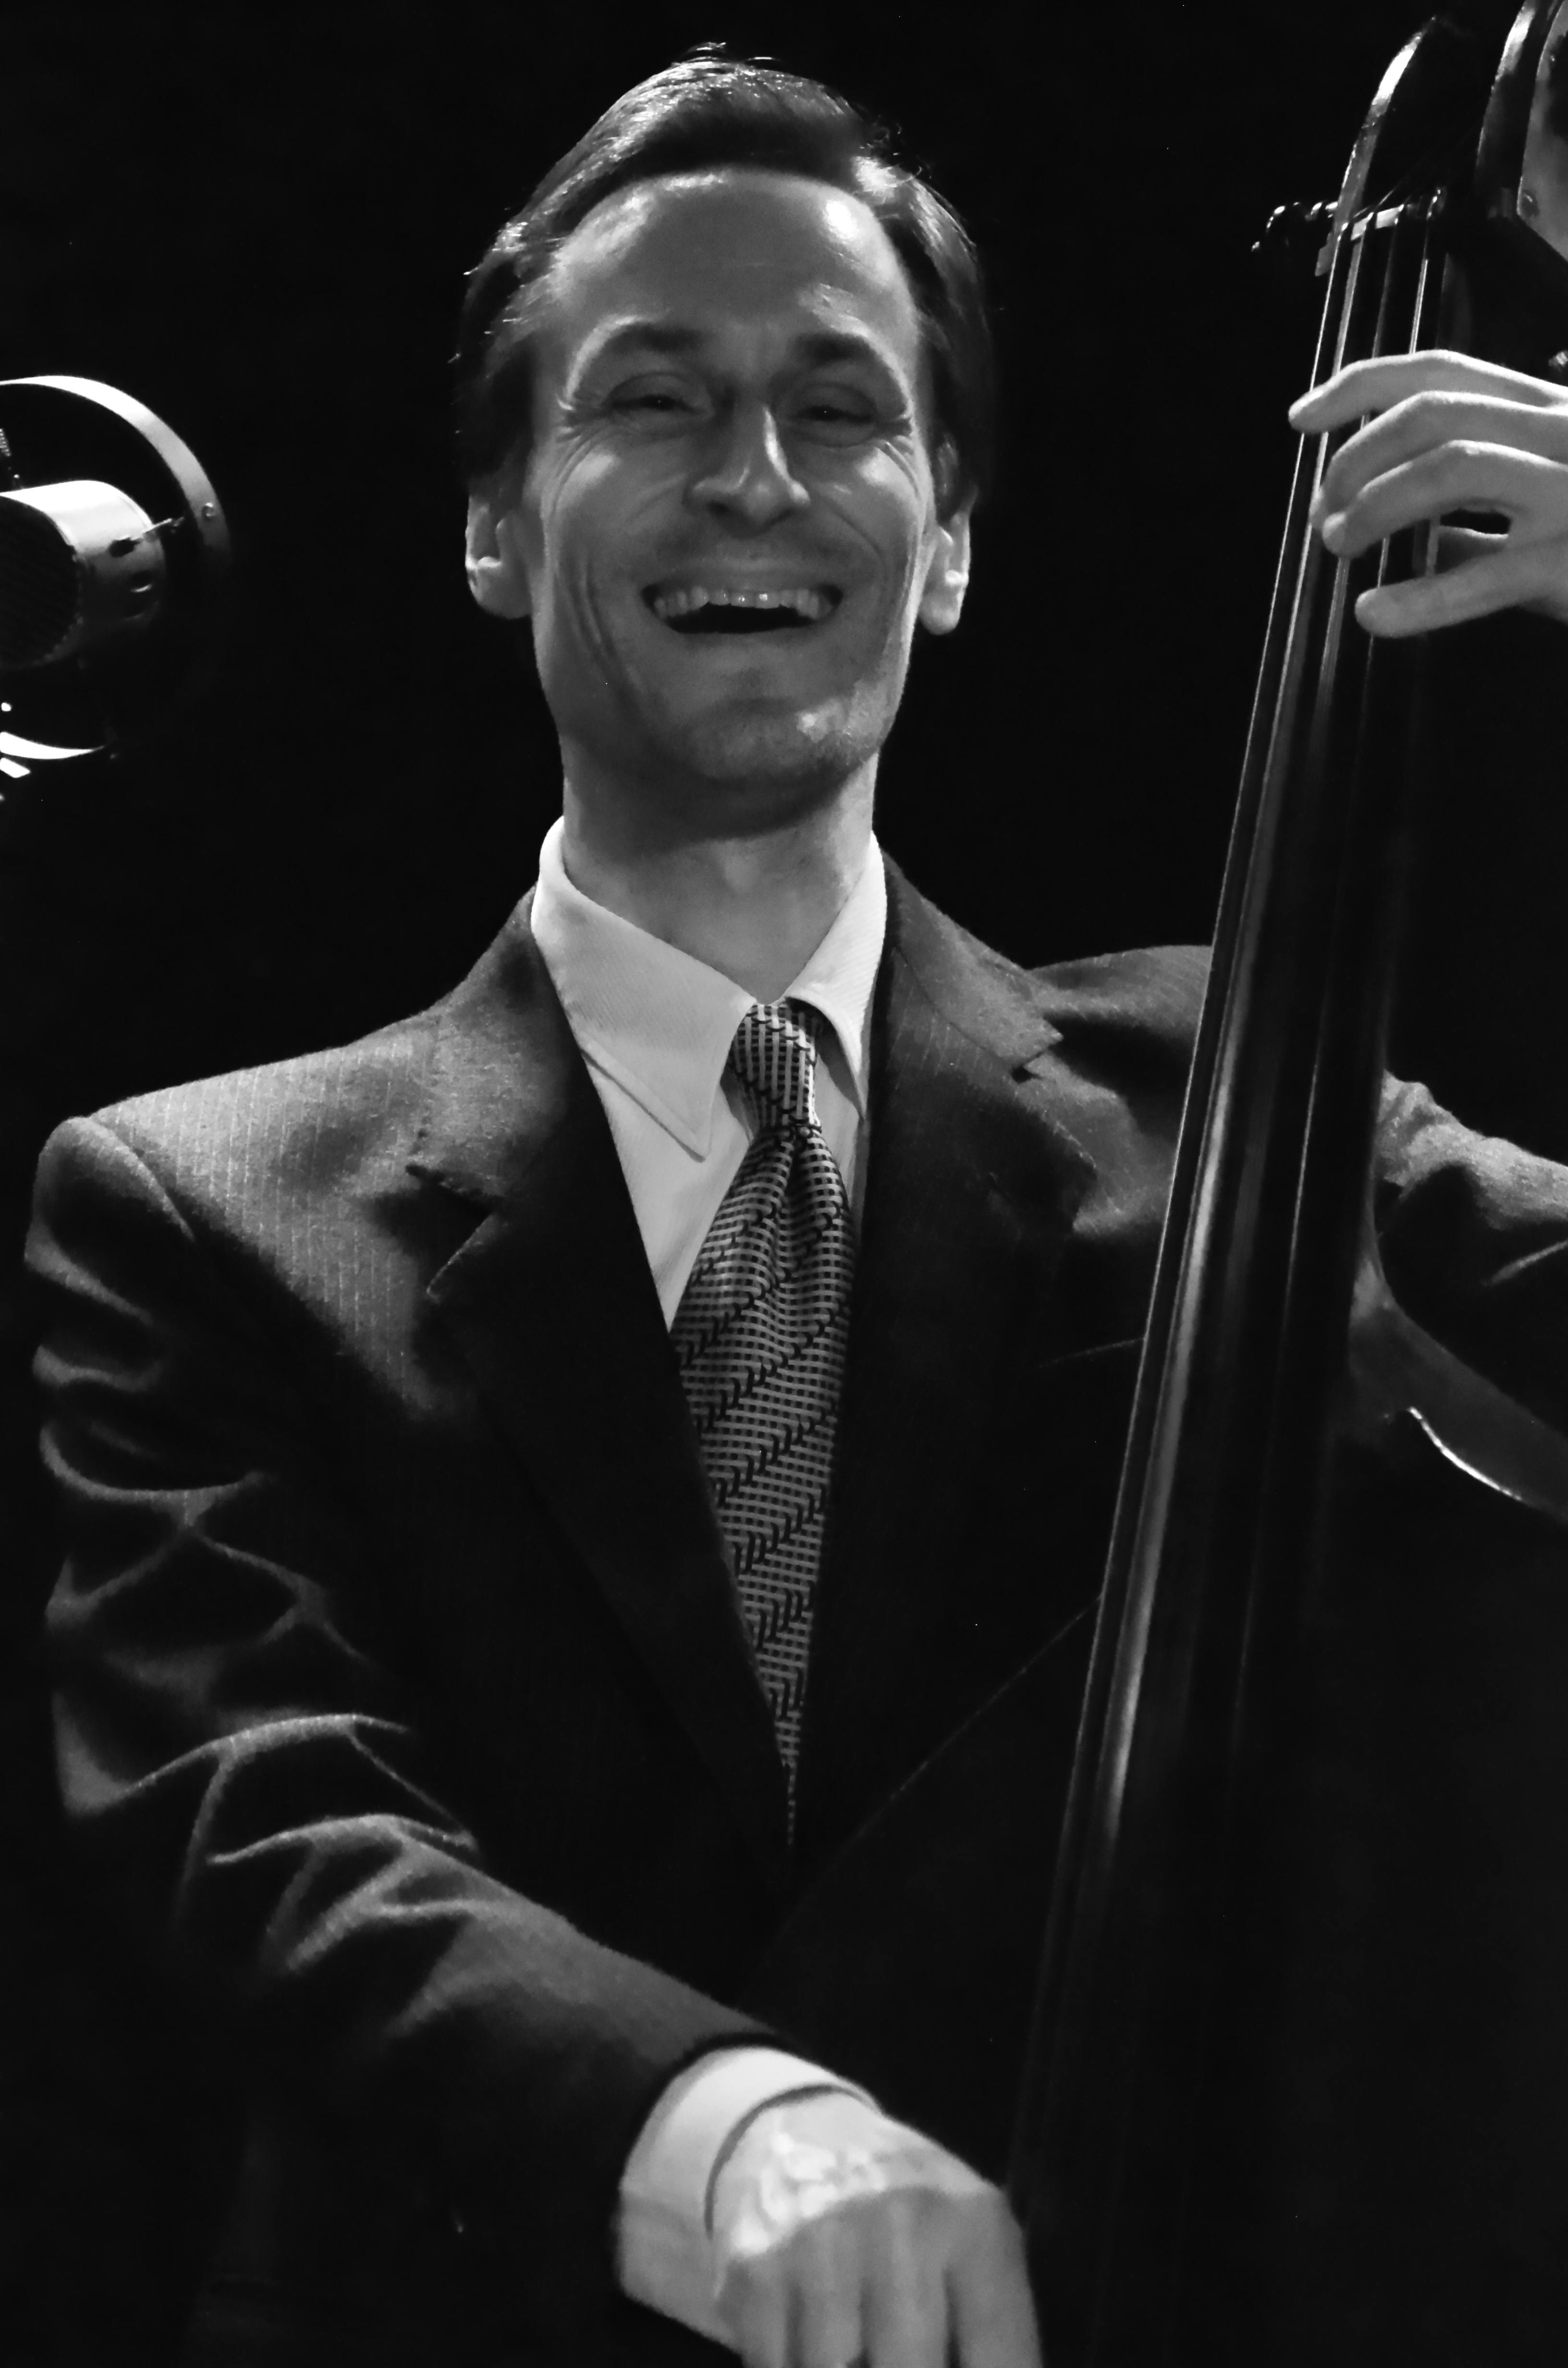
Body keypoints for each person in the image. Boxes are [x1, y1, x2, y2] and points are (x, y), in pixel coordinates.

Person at [24, 49, 1568, 2368]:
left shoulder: (1271, 1109)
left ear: (946, 544)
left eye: (842, 407)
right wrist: (719, 2119)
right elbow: (256, 1809)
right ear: (493, 525)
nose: (755, 471)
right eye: (653, 397)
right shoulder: (202, 1204)